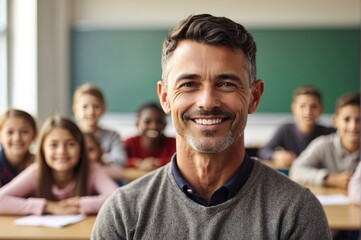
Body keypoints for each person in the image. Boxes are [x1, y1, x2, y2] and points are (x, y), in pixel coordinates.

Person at [91, 14, 331, 239]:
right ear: (165, 98)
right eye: (188, 84)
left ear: (254, 97)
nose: (207, 102)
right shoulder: (122, 214)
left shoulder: (297, 213)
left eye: (226, 84)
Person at [0, 115, 118, 215]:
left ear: (81, 149)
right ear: (42, 150)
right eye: (53, 145)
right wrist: (48, 206)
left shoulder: (93, 169)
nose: (62, 151)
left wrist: (79, 204)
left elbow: (118, 200)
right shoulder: (36, 172)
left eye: (70, 144)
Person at [289, 92, 360, 189]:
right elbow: (295, 170)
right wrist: (329, 178)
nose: (353, 126)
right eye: (346, 119)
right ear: (336, 121)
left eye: (359, 120)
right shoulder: (323, 144)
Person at [258, 85, 335, 169]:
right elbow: (264, 151)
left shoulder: (329, 134)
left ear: (321, 109)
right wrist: (277, 155)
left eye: (314, 106)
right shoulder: (285, 130)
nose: (308, 112)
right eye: (302, 106)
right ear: (294, 109)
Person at [72, 83, 127, 168]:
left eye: (96, 106)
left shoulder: (112, 136)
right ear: (75, 109)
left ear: (104, 108)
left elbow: (121, 160)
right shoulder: (71, 135)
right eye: (85, 107)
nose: (91, 112)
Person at [124, 102, 176, 171]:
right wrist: (138, 163)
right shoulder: (130, 143)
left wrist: (157, 163)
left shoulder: (174, 143)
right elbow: (119, 161)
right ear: (137, 123)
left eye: (159, 121)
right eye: (147, 122)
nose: (153, 126)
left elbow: (181, 161)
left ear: (165, 124)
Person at [0, 109, 37, 187]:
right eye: (10, 132)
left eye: (24, 132)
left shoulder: (39, 164)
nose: (17, 138)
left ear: (34, 135)